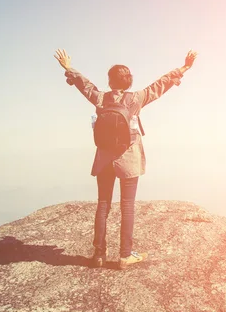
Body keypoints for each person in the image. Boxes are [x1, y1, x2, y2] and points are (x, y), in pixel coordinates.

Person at [53, 48, 198, 269]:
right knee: (127, 206)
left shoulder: (100, 98)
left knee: (103, 205)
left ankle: (99, 255)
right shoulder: (136, 98)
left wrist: (68, 67)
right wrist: (184, 67)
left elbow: (85, 85)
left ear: (110, 81)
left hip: (103, 160)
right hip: (128, 159)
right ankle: (124, 255)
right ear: (129, 81)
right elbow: (161, 84)